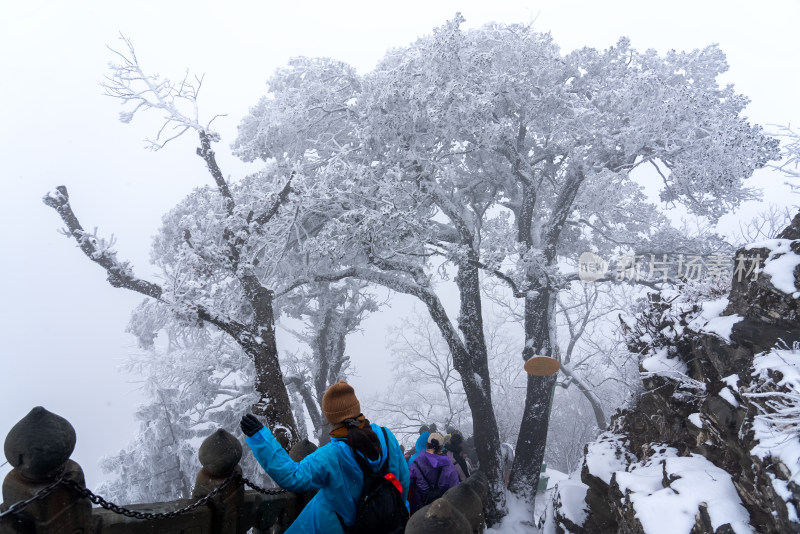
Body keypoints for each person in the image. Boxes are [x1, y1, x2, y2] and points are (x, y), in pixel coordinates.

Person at [240, 381, 410, 534]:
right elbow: (404, 480)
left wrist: (260, 437)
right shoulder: (387, 438)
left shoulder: (332, 454)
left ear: (330, 418)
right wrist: (392, 509)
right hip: (390, 522)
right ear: (357, 408)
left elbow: (292, 476)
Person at [408, 432, 459, 514]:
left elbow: (408, 484)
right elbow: (455, 488)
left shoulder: (416, 463)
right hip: (443, 510)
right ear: (441, 447)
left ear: (427, 445)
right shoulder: (448, 465)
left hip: (422, 510)